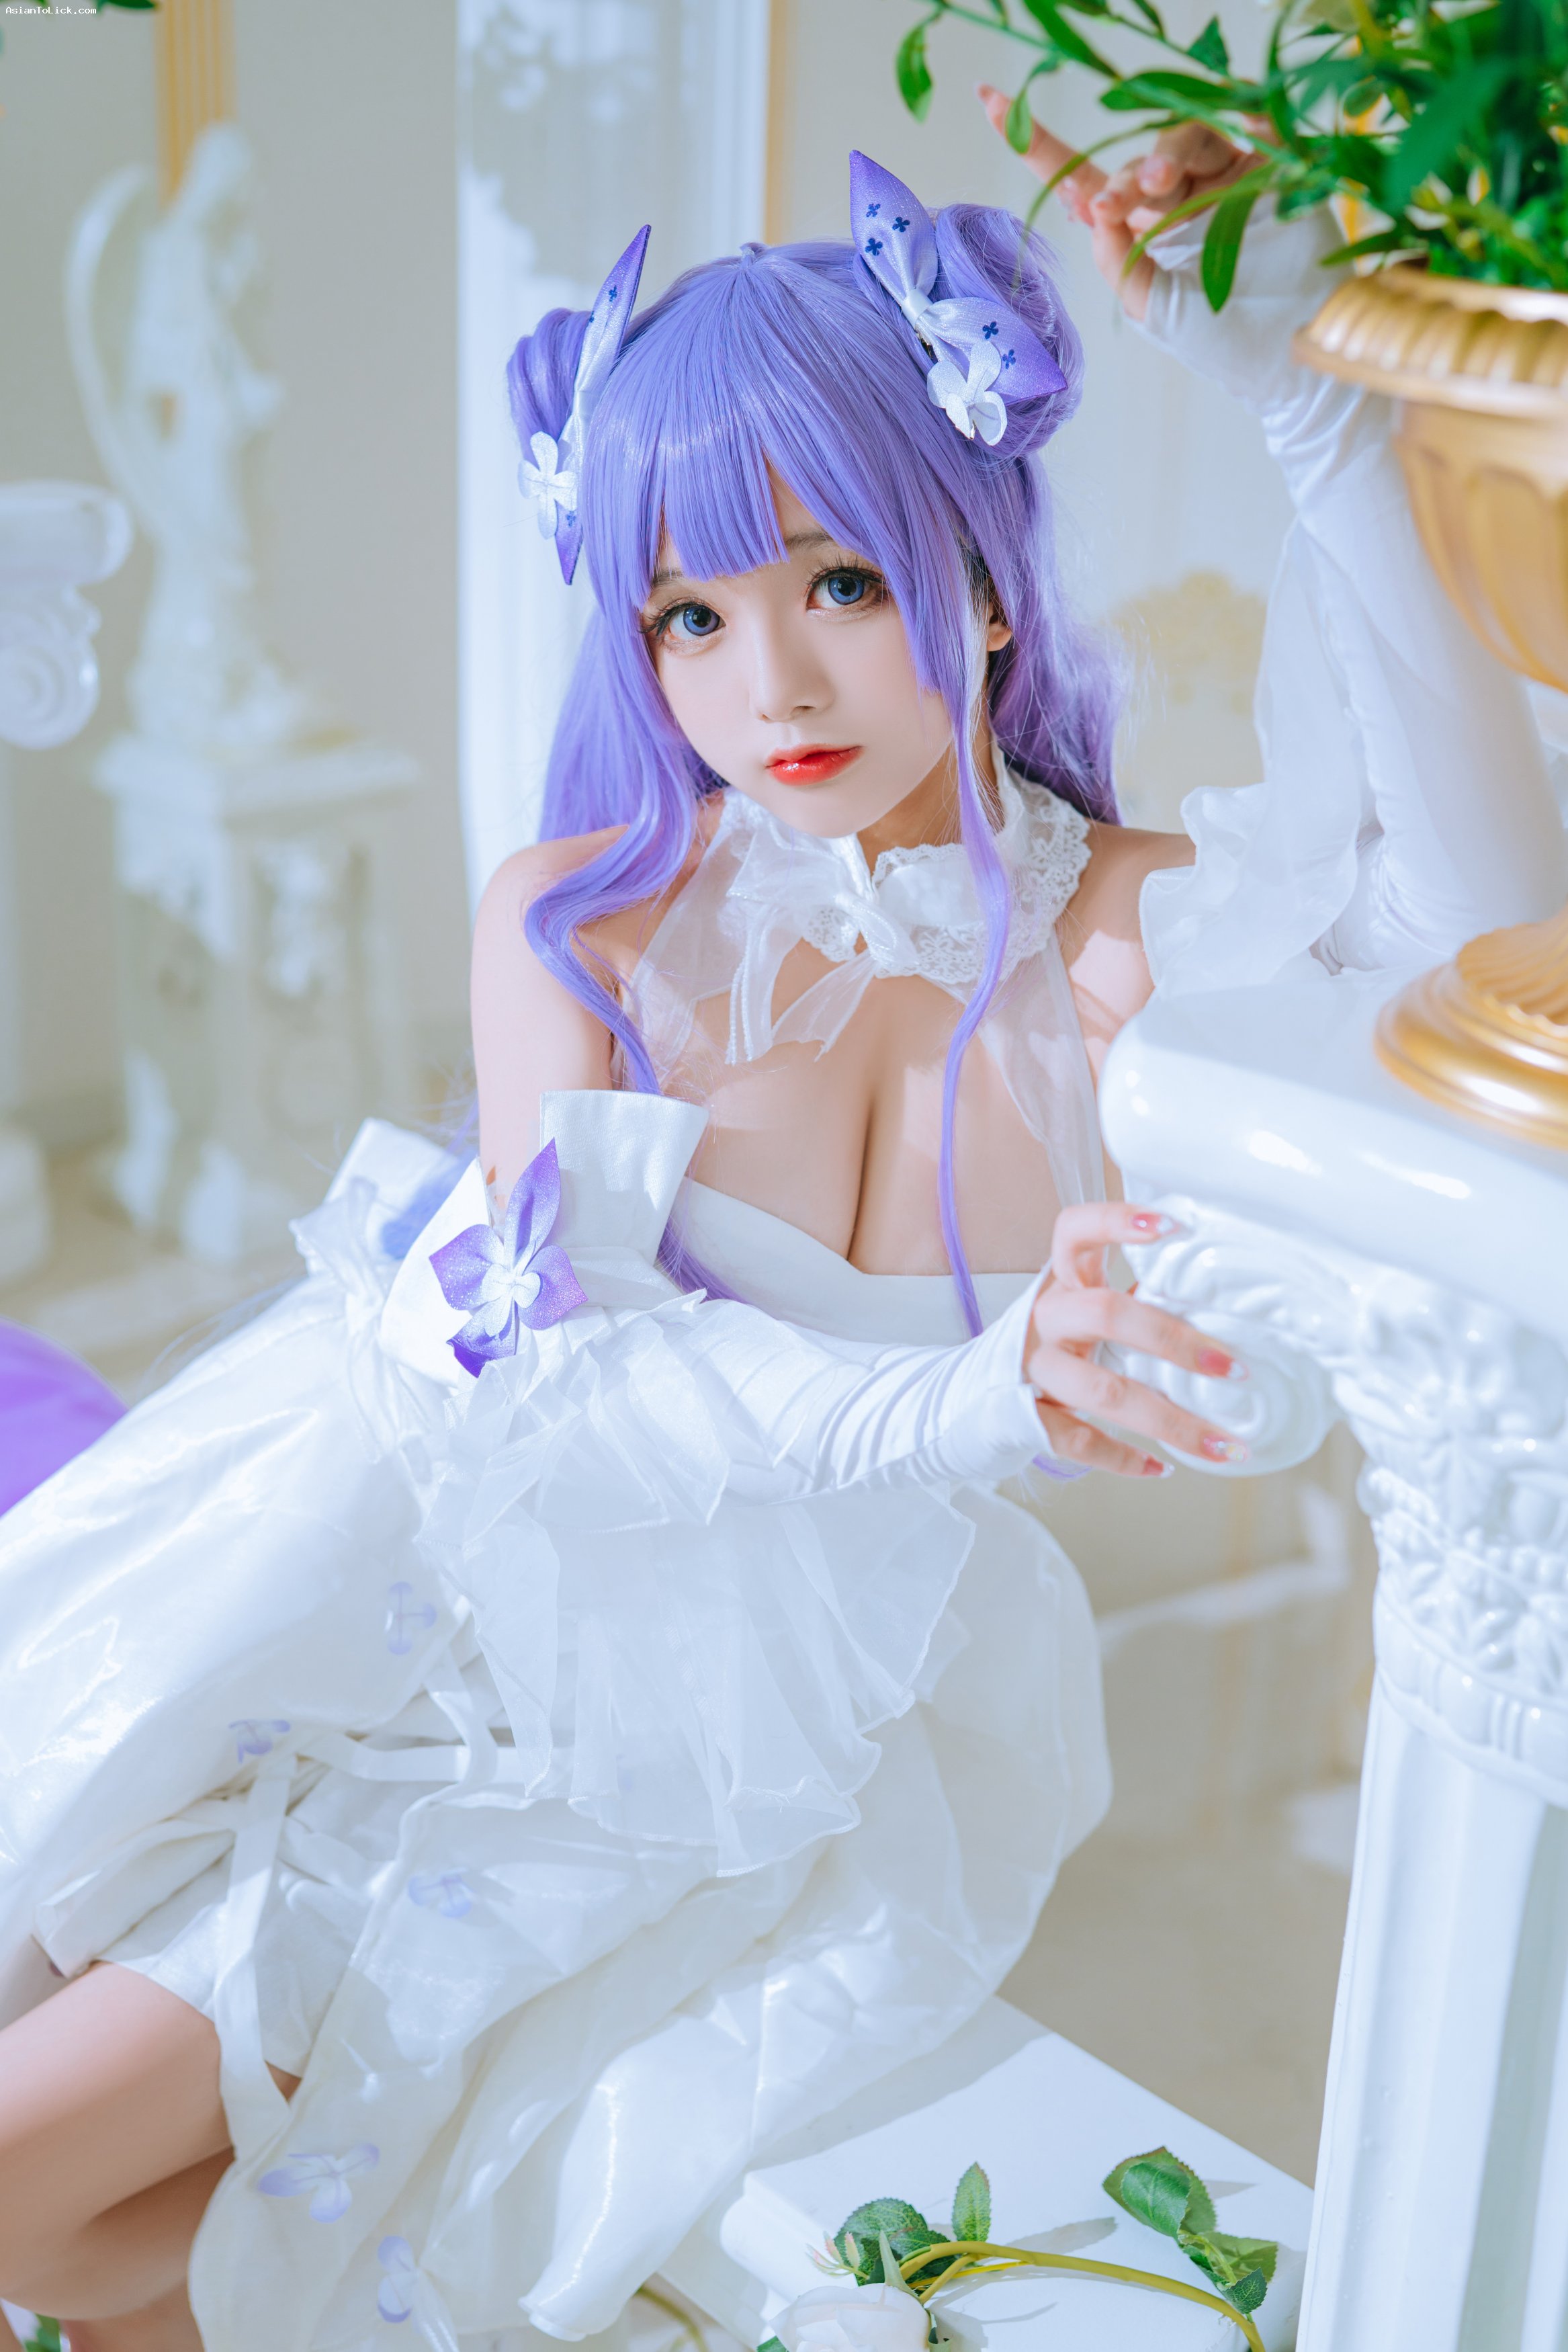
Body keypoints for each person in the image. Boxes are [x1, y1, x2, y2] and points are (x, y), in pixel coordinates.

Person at [0, 103, 1561, 2352]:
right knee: (64, 2197)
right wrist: (965, 1400)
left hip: (711, 1737)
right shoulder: (580, 918)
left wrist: (1311, 408)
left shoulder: (1120, 940)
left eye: (839, 580)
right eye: (691, 614)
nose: (773, 686)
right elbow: (566, 1391)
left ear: (983, 575)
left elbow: (1498, 940)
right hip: (386, 1597)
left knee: (92, 2207)